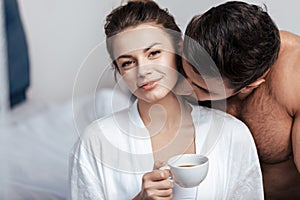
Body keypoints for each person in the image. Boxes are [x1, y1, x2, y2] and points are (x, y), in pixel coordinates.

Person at [68, 1, 264, 199]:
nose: (143, 71)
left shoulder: (232, 134)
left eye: (154, 53)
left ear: (178, 50)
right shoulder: (95, 142)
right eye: (127, 63)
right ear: (119, 72)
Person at [180, 1, 300, 199]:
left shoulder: (293, 79)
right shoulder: (190, 49)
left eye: (202, 88)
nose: (184, 87)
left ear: (250, 85)